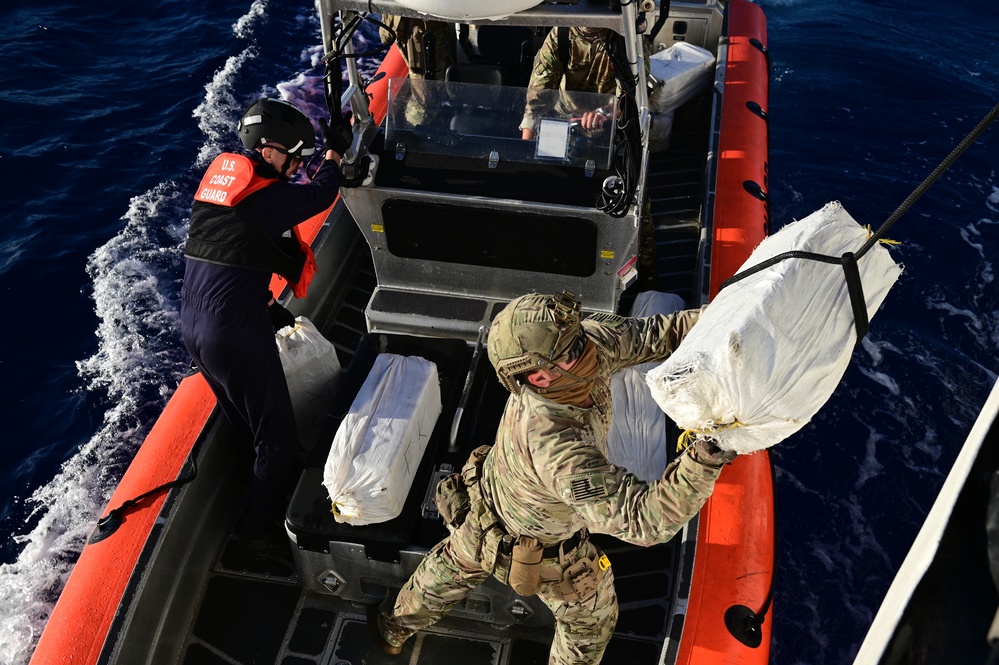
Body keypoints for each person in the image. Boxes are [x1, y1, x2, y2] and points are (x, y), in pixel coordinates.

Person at [374, 290, 737, 663]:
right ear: (539, 376)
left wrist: (732, 314)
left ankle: (393, 626)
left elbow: (655, 334)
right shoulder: (555, 442)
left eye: (578, 336)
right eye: (574, 350)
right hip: (533, 545)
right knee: (589, 623)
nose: (589, 347)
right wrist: (705, 458)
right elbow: (645, 522)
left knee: (446, 572)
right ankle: (396, 625)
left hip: (484, 500)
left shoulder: (579, 346)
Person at [180, 98, 351, 560]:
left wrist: (269, 307)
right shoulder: (270, 196)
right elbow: (320, 195)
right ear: (272, 150)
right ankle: (257, 536)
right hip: (232, 331)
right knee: (275, 437)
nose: (297, 169)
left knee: (246, 426)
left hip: (194, 325)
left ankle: (253, 505)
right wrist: (334, 154)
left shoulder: (218, 190)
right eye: (295, 159)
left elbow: (234, 256)